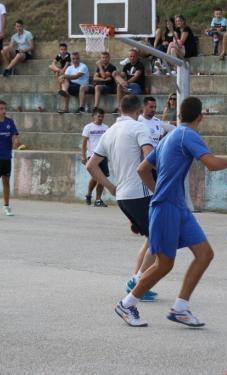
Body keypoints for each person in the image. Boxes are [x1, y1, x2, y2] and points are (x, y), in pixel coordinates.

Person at [115, 96, 227, 328]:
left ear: (179, 115)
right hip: (166, 208)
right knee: (164, 265)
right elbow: (212, 164)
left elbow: (143, 168)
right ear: (200, 117)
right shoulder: (187, 134)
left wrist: (156, 191)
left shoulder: (168, 138)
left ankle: (180, 308)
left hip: (178, 207)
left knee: (205, 254)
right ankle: (127, 304)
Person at [87, 95, 158, 303]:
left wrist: (110, 187)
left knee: (151, 237)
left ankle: (139, 284)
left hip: (123, 197)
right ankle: (136, 282)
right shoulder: (139, 128)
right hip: (141, 193)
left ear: (120, 110)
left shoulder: (109, 133)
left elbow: (91, 166)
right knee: (159, 240)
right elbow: (150, 158)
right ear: (138, 111)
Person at [81, 109, 109, 207]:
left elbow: (108, 142)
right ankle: (89, 193)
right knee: (95, 177)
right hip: (92, 154)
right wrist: (83, 155)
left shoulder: (106, 128)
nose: (100, 118)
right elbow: (84, 142)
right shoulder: (88, 127)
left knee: (102, 177)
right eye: (99, 116)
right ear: (94, 116)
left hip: (103, 155)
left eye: (102, 116)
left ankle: (98, 199)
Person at [0, 99, 20, 216]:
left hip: (6, 157)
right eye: (1, 109)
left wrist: (16, 141)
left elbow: (14, 135)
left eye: (5, 109)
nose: (4, 111)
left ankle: (6, 206)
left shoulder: (10, 122)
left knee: (6, 181)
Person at [111, 49, 144, 115]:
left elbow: (136, 76)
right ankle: (119, 107)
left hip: (136, 86)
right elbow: (122, 75)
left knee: (120, 85)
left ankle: (124, 86)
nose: (132, 58)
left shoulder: (140, 65)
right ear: (128, 57)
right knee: (115, 76)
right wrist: (116, 73)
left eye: (134, 56)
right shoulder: (127, 66)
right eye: (130, 56)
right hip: (127, 84)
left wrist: (127, 82)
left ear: (137, 56)